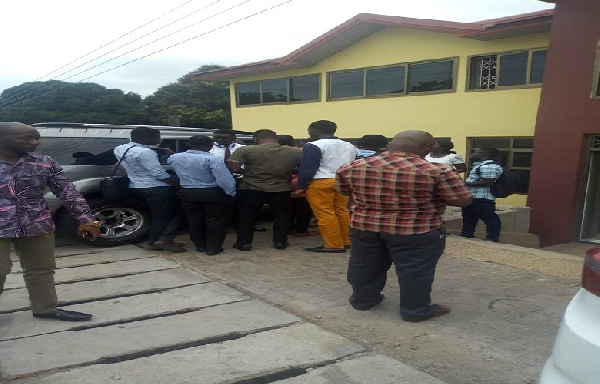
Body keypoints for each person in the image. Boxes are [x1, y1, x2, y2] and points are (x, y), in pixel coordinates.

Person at [336, 130, 472, 322]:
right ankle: (415, 311)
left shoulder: (351, 167)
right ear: (425, 147)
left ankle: (363, 301)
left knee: (364, 265)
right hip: (417, 231)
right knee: (415, 270)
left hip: (365, 227)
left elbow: (344, 191)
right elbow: (462, 201)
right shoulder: (438, 171)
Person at [0, 122, 101, 321]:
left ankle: (45, 308)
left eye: (36, 138)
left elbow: (67, 191)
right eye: (27, 138)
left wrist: (87, 220)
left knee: (41, 269)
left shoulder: (44, 162)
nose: (35, 142)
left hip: (37, 224)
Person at [227, 129, 302, 251]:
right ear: (276, 138)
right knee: (281, 216)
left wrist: (249, 172)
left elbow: (234, 168)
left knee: (246, 216)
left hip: (251, 187)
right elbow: (303, 169)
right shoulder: (295, 152)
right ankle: (280, 242)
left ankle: (244, 243)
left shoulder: (245, 150)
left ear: (256, 139)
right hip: (281, 188)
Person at [113, 127, 185, 252]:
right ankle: (161, 241)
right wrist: (177, 185)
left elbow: (120, 165)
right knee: (171, 214)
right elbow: (159, 174)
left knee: (158, 214)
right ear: (145, 138)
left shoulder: (120, 149)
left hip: (136, 186)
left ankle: (156, 241)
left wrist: (161, 149)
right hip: (156, 187)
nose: (160, 139)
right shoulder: (146, 153)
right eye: (157, 137)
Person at [293, 120, 357, 253]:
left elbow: (308, 168)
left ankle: (333, 244)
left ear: (315, 130)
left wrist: (301, 186)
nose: (309, 132)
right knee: (342, 211)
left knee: (325, 213)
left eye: (309, 130)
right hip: (343, 181)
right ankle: (346, 241)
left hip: (321, 182)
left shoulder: (313, 145)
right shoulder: (349, 145)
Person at [168, 135, 236, 256]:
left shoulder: (174, 158)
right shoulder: (213, 159)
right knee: (216, 221)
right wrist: (231, 192)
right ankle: (213, 248)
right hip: (211, 191)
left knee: (194, 220)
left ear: (188, 145)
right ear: (210, 146)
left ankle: (200, 246)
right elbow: (224, 180)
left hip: (188, 192)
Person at [211, 129, 266, 232]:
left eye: (224, 137)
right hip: (218, 181)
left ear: (233, 138)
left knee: (244, 204)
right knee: (221, 205)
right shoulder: (209, 149)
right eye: (216, 137)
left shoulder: (243, 149)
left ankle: (246, 225)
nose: (219, 139)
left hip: (240, 179)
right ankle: (221, 227)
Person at [460, 148, 503, 242]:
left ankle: (492, 237)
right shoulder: (480, 166)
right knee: (469, 216)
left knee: (489, 218)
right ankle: (467, 234)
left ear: (485, 154)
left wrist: (466, 183)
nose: (473, 153)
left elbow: (488, 182)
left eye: (476, 152)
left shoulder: (489, 166)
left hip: (483, 197)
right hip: (473, 196)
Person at [278, 134, 316, 237]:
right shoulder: (301, 152)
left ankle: (288, 229)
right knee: (303, 208)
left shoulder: (275, 153)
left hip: (282, 183)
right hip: (299, 183)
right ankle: (301, 230)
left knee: (287, 208)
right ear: (293, 142)